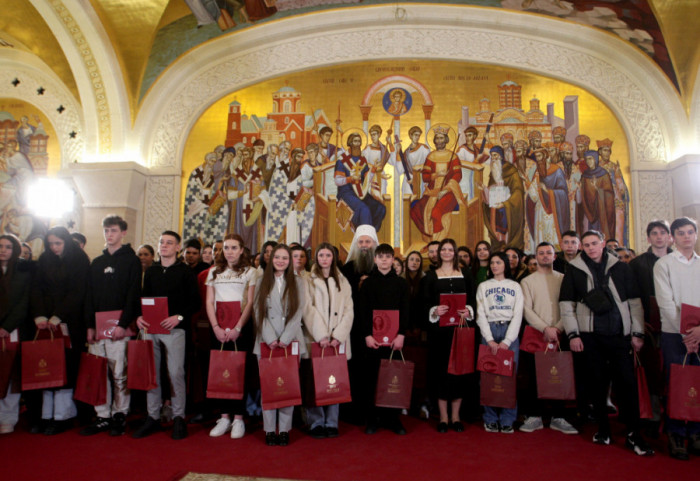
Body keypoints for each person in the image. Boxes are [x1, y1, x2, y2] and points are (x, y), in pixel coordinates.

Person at [559, 230, 653, 455]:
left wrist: (638, 333)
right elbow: (566, 303)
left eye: (594, 243)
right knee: (597, 385)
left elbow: (634, 302)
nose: (591, 248)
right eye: (587, 244)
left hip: (619, 335)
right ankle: (603, 429)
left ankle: (633, 433)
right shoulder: (574, 269)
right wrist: (573, 335)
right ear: (582, 246)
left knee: (627, 385)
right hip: (590, 335)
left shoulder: (621, 267)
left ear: (603, 243)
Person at [133, 231, 201, 440]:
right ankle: (153, 416)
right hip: (151, 327)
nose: (164, 246)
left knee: (175, 373)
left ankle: (178, 417)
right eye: (161, 242)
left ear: (177, 248)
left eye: (169, 243)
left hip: (175, 329)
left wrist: (178, 317)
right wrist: (138, 317)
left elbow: (195, 303)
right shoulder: (151, 271)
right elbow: (143, 298)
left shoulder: (185, 272)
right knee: (152, 373)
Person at [81, 215, 142, 437]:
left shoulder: (131, 260)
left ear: (123, 233)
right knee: (99, 372)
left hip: (120, 327)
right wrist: (89, 326)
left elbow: (133, 295)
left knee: (119, 373)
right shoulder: (96, 263)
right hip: (97, 326)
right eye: (106, 231)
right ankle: (102, 415)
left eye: (114, 231)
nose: (109, 235)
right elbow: (89, 296)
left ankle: (120, 413)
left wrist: (123, 324)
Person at [30, 226, 90, 435]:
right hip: (45, 322)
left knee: (66, 367)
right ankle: (46, 415)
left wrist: (59, 315)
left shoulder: (79, 259)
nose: (54, 248)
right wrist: (40, 315)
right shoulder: (45, 259)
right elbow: (36, 288)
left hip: (70, 322)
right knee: (46, 366)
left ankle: (63, 415)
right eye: (51, 244)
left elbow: (78, 291)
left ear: (65, 241)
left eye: (58, 243)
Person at [653, 217, 700, 460]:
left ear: (696, 235)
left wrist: (699, 331)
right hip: (675, 334)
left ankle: (695, 432)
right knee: (677, 383)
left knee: (698, 384)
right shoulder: (664, 264)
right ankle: (675, 433)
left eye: (690, 232)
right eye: (680, 233)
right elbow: (666, 303)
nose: (686, 237)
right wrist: (686, 333)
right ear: (673, 237)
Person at [519, 242, 578, 435]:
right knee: (533, 376)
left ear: (555, 256)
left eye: (548, 253)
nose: (545, 256)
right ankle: (534, 416)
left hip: (560, 332)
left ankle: (558, 417)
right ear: (535, 257)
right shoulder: (527, 281)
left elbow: (571, 305)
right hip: (537, 333)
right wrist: (545, 328)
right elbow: (526, 309)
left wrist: (558, 328)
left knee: (559, 375)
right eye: (541, 253)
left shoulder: (564, 279)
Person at [253, 244, 307, 446]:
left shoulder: (298, 282)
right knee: (268, 387)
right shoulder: (261, 281)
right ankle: (269, 430)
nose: (281, 261)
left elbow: (298, 311)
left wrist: (284, 338)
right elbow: (258, 312)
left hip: (290, 340)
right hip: (266, 341)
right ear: (270, 259)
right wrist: (270, 338)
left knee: (287, 385)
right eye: (277, 257)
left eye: (285, 258)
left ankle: (284, 429)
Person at [205, 234, 256, 440]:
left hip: (240, 330)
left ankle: (238, 418)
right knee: (220, 372)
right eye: (226, 248)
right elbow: (210, 302)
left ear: (242, 250)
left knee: (238, 373)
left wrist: (237, 327)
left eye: (234, 248)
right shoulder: (213, 272)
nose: (230, 252)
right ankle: (224, 417)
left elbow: (250, 303)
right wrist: (216, 327)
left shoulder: (250, 272)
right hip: (218, 329)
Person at [423, 239, 476, 433]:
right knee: (441, 373)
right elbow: (423, 303)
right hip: (439, 333)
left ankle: (456, 416)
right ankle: (443, 417)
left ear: (455, 252)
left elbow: (473, 298)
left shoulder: (466, 274)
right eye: (442, 249)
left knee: (460, 372)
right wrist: (435, 310)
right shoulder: (430, 276)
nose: (446, 252)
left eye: (449, 249)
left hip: (461, 330)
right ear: (438, 253)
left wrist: (469, 311)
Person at [360, 243, 410, 435]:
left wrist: (401, 335)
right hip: (373, 341)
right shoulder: (368, 284)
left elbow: (405, 311)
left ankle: (393, 419)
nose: (383, 260)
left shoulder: (401, 284)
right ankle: (373, 419)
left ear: (392, 259)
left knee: (393, 379)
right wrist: (367, 335)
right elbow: (363, 312)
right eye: (380, 257)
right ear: (375, 259)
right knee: (372, 379)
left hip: (394, 341)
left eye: (387, 257)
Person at [305, 243, 354, 438]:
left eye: (328, 255)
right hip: (317, 339)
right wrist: (322, 335)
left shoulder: (342, 280)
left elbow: (349, 310)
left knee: (335, 379)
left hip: (337, 340)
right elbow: (308, 309)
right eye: (321, 255)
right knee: (315, 381)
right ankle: (316, 422)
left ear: (333, 257)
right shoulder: (308, 279)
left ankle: (332, 422)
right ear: (316, 257)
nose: (324, 258)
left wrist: (338, 335)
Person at [476, 252, 523, 434]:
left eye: (498, 262)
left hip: (509, 331)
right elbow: (480, 313)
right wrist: (489, 339)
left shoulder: (515, 286)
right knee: (487, 377)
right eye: (492, 263)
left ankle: (507, 418)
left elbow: (518, 314)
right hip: (489, 329)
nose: (495, 266)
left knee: (508, 377)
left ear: (505, 264)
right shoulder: (483, 286)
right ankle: (490, 418)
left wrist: (507, 341)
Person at [340, 225, 378, 424]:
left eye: (368, 242)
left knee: (373, 370)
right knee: (353, 369)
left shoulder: (380, 268)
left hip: (376, 329)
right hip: (353, 329)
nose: (364, 246)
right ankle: (352, 411)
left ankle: (373, 410)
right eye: (361, 242)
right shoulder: (347, 268)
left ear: (374, 244)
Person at [410, 127, 466, 242]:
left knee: (436, 213)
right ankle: (428, 236)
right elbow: (425, 177)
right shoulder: (431, 156)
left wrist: (445, 190)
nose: (439, 141)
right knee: (415, 209)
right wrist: (437, 174)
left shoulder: (453, 157)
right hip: (432, 192)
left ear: (446, 140)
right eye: (437, 139)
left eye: (441, 138)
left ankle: (438, 242)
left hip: (449, 192)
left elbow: (458, 175)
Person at [0, 234, 32, 433]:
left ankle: (8, 418)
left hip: (13, 330)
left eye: (8, 247)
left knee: (10, 374)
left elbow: (24, 303)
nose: (3, 250)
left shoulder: (23, 272)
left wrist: (7, 326)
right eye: (0, 246)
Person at [335, 133, 386, 232]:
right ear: (350, 143)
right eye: (355, 141)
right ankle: (363, 235)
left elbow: (367, 179)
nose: (357, 144)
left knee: (380, 208)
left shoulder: (363, 160)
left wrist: (373, 169)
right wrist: (350, 178)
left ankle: (372, 233)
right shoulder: (342, 161)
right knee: (364, 209)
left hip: (361, 192)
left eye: (359, 141)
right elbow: (337, 181)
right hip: (346, 193)